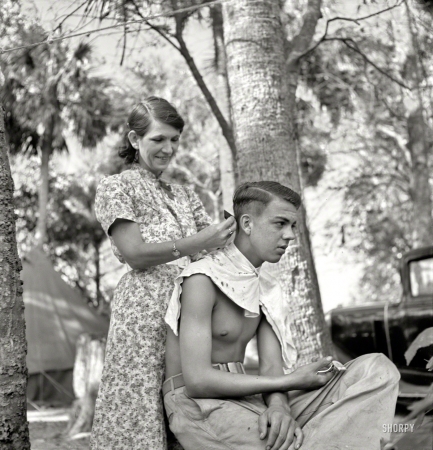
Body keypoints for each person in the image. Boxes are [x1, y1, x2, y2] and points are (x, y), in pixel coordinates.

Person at [164, 181, 400, 450]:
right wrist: (292, 381)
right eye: (280, 224)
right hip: (198, 405)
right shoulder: (202, 279)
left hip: (249, 397)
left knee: (376, 370)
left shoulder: (266, 287)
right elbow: (197, 381)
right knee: (293, 444)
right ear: (247, 224)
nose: (289, 235)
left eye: (293, 226)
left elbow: (271, 367)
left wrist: (279, 408)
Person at [90, 97, 236, 450]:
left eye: (174, 140)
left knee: (185, 409)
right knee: (140, 411)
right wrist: (195, 242)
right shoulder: (116, 187)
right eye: (158, 139)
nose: (168, 149)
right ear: (135, 139)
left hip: (190, 312)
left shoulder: (186, 195)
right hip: (143, 313)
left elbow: (214, 249)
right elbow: (135, 254)